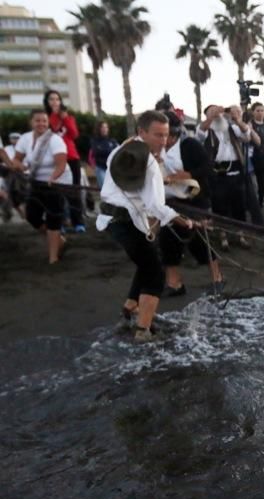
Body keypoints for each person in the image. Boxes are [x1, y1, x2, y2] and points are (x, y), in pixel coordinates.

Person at [96, 111, 195, 342]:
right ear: (142, 132)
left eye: (166, 135)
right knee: (154, 273)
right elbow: (155, 205)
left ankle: (131, 307)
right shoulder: (148, 163)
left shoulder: (121, 150)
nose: (163, 141)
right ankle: (144, 330)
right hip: (125, 221)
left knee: (147, 260)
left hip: (111, 218)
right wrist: (184, 221)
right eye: (157, 135)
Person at [160, 111, 224, 297]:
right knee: (167, 242)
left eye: (168, 136)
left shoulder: (189, 145)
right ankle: (175, 283)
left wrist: (188, 174)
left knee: (200, 241)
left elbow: (207, 167)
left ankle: (217, 278)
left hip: (195, 200)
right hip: (170, 201)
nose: (166, 140)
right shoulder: (156, 148)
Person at [13, 109, 72, 263]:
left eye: (44, 121)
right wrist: (20, 166)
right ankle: (59, 240)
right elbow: (16, 159)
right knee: (31, 216)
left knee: (53, 219)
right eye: (37, 120)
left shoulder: (55, 140)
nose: (41, 123)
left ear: (48, 122)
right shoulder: (25, 138)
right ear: (31, 122)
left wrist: (53, 177)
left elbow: (61, 164)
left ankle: (53, 258)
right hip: (36, 182)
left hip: (57, 182)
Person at [196, 104, 253, 250]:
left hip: (235, 171)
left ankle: (240, 235)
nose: (217, 114)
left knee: (239, 205)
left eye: (218, 112)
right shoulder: (207, 130)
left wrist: (237, 119)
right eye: (212, 111)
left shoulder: (232, 128)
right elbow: (199, 134)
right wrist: (210, 117)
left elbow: (247, 136)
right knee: (219, 206)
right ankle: (223, 237)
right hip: (217, 174)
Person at [44, 89, 85, 232]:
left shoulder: (69, 117)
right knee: (56, 193)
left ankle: (78, 223)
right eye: (51, 99)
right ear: (47, 102)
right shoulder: (45, 119)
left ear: (61, 101)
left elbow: (74, 135)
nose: (55, 102)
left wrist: (65, 118)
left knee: (74, 191)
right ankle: (59, 223)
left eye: (57, 99)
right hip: (54, 160)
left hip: (72, 158)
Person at [89, 121, 119, 189]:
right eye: (102, 127)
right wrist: (110, 151)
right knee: (105, 189)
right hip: (101, 168)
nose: (105, 129)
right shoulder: (94, 141)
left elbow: (118, 150)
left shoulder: (112, 141)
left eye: (106, 127)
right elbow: (96, 151)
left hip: (112, 169)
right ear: (99, 129)